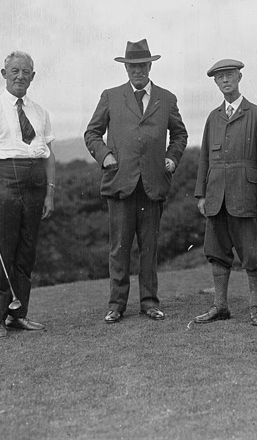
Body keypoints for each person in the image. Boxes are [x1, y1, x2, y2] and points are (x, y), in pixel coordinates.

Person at [85, 39, 188, 324]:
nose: (137, 70)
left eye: (142, 65)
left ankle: (149, 303)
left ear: (150, 65)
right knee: (119, 248)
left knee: (149, 248)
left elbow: (180, 135)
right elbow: (92, 134)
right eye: (132, 66)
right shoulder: (110, 96)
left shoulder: (167, 98)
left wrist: (172, 159)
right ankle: (116, 305)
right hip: (120, 184)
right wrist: (104, 155)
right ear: (126, 68)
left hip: (153, 185)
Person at [0, 51, 56, 338]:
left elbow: (49, 156)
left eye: (26, 72)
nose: (20, 76)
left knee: (26, 252)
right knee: (2, 251)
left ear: (33, 76)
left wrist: (50, 194)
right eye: (14, 71)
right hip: (4, 181)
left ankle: (17, 316)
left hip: (35, 182)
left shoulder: (40, 111)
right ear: (4, 74)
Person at [193, 59, 257, 327]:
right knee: (216, 250)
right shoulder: (213, 117)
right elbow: (204, 158)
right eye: (219, 78)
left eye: (229, 76)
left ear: (239, 77)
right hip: (217, 196)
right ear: (216, 83)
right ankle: (221, 306)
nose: (225, 81)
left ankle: (255, 307)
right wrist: (201, 194)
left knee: (251, 252)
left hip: (246, 194)